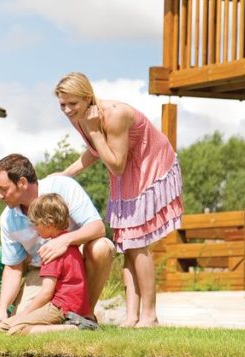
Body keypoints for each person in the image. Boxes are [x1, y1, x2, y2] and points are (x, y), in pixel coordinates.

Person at [54, 72, 184, 327]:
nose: (68, 110)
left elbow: (116, 165)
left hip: (149, 165)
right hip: (126, 169)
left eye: (73, 104)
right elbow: (95, 151)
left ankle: (150, 315)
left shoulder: (115, 114)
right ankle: (131, 316)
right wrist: (64, 174)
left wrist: (96, 133)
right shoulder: (80, 118)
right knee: (126, 242)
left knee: (138, 241)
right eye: (62, 105)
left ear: (87, 97)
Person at [0, 153, 115, 332]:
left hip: (73, 265)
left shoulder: (62, 187)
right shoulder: (7, 219)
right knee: (12, 325)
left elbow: (97, 228)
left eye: (3, 189)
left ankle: (85, 316)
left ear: (22, 183)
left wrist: (64, 240)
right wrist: (2, 310)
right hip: (41, 271)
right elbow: (13, 267)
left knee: (101, 247)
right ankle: (70, 326)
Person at [0, 194, 98, 335]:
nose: (35, 229)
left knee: (15, 330)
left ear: (48, 222)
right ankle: (71, 325)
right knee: (2, 327)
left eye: (36, 224)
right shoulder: (71, 244)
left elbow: (46, 292)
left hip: (60, 308)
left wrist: (23, 315)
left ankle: (75, 328)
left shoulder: (51, 251)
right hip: (74, 306)